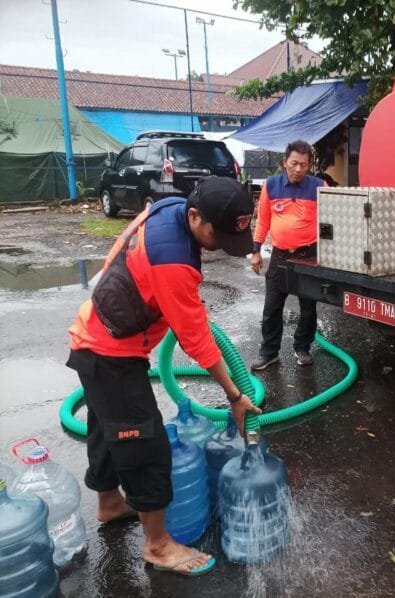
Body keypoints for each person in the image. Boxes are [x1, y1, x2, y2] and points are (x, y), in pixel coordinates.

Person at [66, 176, 261, 577]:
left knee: (106, 426)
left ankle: (109, 502)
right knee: (145, 442)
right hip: (109, 352)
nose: (221, 245)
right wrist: (234, 395)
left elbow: (122, 258)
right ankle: (157, 545)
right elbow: (198, 341)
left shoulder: (165, 209)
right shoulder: (173, 260)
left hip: (94, 336)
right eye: (217, 234)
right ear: (194, 215)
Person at [250, 140, 325, 370]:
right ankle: (269, 352)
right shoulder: (271, 185)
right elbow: (263, 219)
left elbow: (329, 221)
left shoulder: (319, 185)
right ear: (285, 163)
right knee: (272, 307)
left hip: (309, 255)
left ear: (309, 165)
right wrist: (256, 251)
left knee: (308, 306)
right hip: (280, 256)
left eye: (304, 164)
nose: (298, 169)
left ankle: (302, 347)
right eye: (294, 163)